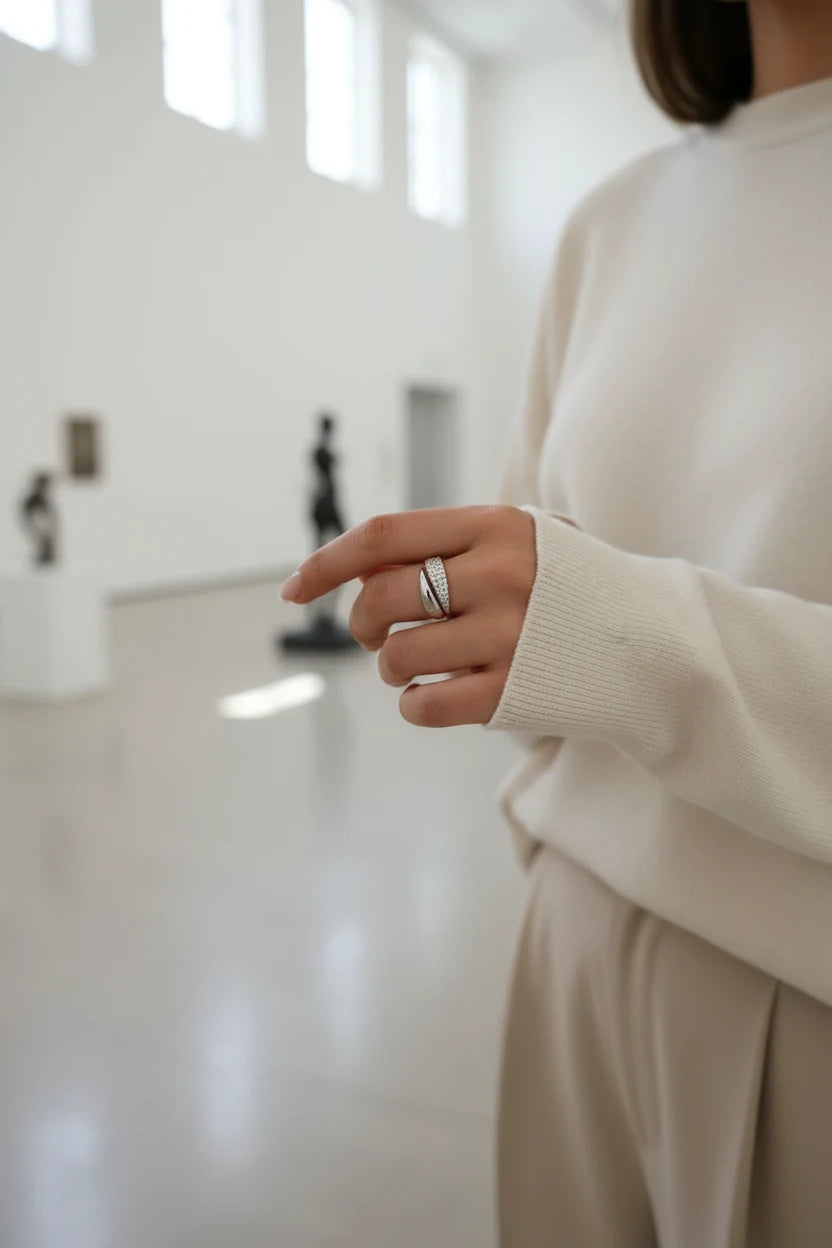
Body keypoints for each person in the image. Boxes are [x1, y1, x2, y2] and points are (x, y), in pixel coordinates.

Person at [280, 0, 832, 1241]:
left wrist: (614, 633)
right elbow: (541, 597)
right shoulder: (610, 222)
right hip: (572, 947)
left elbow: (591, 617)